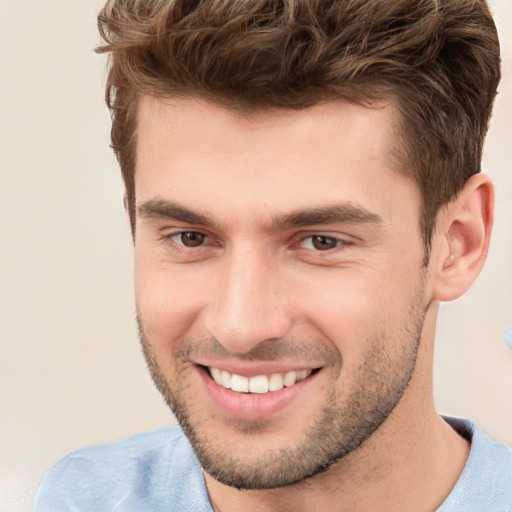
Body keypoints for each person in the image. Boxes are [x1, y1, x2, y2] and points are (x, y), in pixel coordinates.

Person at [32, 0, 511, 510]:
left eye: (321, 241)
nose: (240, 326)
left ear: (458, 243)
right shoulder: (79, 497)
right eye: (190, 237)